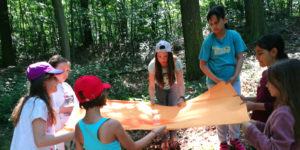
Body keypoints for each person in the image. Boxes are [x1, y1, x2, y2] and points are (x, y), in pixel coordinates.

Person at [198, 6, 247, 150]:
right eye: (211, 24)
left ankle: (235, 138)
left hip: (233, 81)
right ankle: (223, 142)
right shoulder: (208, 41)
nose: (213, 26)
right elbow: (203, 65)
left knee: (234, 109)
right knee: (220, 112)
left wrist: (235, 75)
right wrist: (217, 80)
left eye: (216, 22)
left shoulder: (234, 36)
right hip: (214, 84)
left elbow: (240, 57)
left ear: (224, 20)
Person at [74, 75, 167, 150]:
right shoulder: (112, 125)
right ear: (100, 96)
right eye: (103, 91)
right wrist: (155, 131)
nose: (106, 93)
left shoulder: (79, 127)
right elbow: (133, 147)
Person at [10, 62, 74, 150]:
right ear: (43, 81)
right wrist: (73, 134)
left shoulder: (31, 101)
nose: (58, 81)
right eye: (54, 78)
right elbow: (40, 141)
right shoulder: (38, 104)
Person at [242, 59, 300, 150]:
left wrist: (250, 130)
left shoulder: (284, 113)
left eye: (269, 81)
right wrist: (256, 124)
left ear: (282, 83)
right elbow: (279, 131)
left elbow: (275, 148)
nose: (266, 85)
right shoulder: (293, 107)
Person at [240, 33, 288, 123]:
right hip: (260, 122)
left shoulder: (283, 75)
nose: (257, 58)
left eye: (260, 53)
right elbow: (264, 98)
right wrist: (246, 99)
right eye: (256, 54)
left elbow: (283, 105)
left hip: (273, 123)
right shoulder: (265, 73)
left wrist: (254, 106)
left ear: (273, 52)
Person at [148, 40, 185, 149]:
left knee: (172, 110)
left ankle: (173, 135)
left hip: (172, 86)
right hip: (160, 88)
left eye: (165, 56)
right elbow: (151, 85)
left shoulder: (176, 63)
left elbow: (181, 82)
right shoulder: (152, 65)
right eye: (160, 56)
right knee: (163, 112)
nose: (163, 59)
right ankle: (164, 137)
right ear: (156, 56)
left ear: (169, 55)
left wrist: (181, 97)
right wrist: (152, 98)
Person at [48, 55, 79, 149]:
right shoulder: (49, 88)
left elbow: (76, 103)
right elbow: (49, 109)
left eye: (67, 70)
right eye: (61, 71)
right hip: (57, 128)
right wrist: (69, 109)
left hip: (72, 128)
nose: (65, 74)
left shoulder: (67, 86)